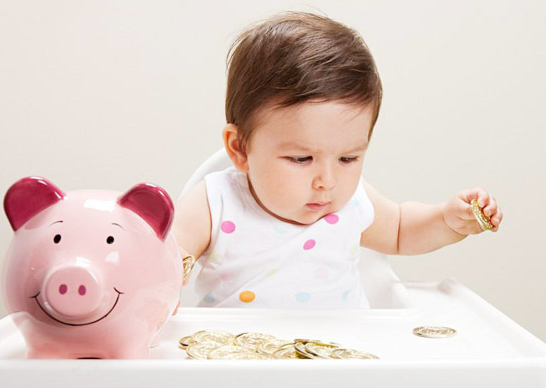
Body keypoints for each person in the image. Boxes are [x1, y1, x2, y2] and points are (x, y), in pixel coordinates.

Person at [172, 12, 503, 309]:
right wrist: (161, 286)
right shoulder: (214, 205)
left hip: (343, 354)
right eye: (302, 158)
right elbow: (164, 264)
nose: (327, 181)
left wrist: (447, 221)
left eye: (347, 158)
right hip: (240, 355)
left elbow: (401, 230)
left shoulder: (353, 201)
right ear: (240, 148)